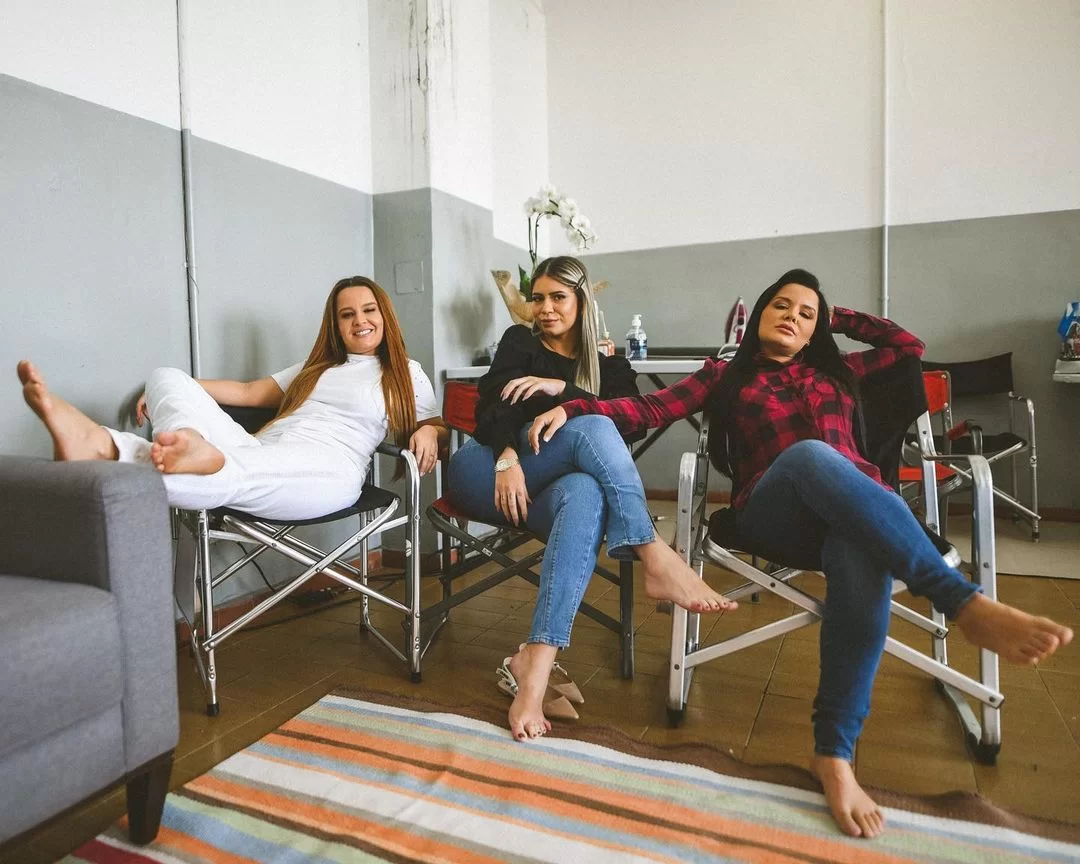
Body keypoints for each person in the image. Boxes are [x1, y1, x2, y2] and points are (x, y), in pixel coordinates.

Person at [528, 268, 1074, 840]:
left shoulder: (842, 370)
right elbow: (648, 411)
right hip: (772, 511)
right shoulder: (725, 374)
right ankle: (963, 604)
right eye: (781, 305)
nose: (793, 316)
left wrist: (834, 315)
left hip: (859, 513)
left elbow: (908, 348)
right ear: (759, 313)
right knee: (811, 455)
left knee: (859, 550)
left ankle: (833, 755)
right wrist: (572, 405)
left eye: (806, 313)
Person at [448, 256, 736, 743]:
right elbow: (489, 407)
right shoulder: (519, 343)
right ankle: (653, 552)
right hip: (487, 469)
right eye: (537, 298)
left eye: (558, 297)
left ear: (582, 303)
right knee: (594, 426)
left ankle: (533, 667)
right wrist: (506, 457)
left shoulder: (610, 363)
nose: (544, 308)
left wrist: (563, 388)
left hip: (550, 487)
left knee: (585, 491)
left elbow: (634, 418)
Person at [18, 276, 447, 520]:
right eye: (347, 313)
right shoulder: (314, 368)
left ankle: (107, 447)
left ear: (384, 316)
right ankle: (186, 446)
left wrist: (431, 431)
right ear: (335, 325)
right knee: (167, 375)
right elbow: (246, 392)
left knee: (236, 472)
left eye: (369, 310)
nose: (360, 320)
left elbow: (438, 427)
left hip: (328, 468)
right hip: (261, 447)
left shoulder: (405, 373)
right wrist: (165, 391)